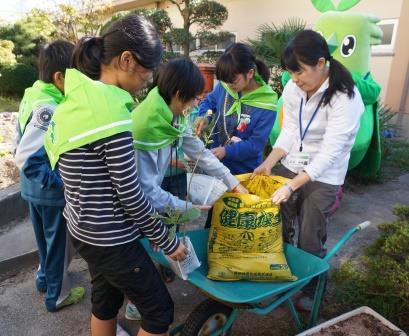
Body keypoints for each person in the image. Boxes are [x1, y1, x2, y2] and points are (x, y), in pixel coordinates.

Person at [44, 15, 187, 336]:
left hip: (82, 228)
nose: (149, 80)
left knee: (106, 300)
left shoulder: (80, 99)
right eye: (149, 70)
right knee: (158, 310)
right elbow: (130, 193)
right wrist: (167, 241)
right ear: (127, 60)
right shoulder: (111, 114)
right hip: (110, 237)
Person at [253, 30, 364, 310]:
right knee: (278, 221)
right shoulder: (294, 89)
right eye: (291, 72)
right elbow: (290, 130)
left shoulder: (346, 98)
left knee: (310, 234)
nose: (295, 79)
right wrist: (269, 162)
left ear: (321, 63)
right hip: (292, 164)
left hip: (325, 175)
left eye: (299, 71)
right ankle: (282, 274)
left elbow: (329, 154)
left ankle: (311, 288)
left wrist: (291, 186)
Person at [14, 40, 85, 312]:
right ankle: (57, 295)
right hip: (48, 189)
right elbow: (26, 155)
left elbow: (16, 140)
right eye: (76, 76)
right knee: (56, 246)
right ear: (59, 77)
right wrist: (60, 183)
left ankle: (45, 280)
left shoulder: (32, 93)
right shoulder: (50, 106)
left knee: (44, 240)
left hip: (31, 188)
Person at [132, 58, 245, 214]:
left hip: (152, 198)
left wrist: (233, 183)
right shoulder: (145, 127)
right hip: (130, 211)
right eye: (195, 98)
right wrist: (186, 208)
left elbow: (201, 153)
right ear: (179, 95)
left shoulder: (174, 114)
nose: (196, 104)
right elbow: (144, 191)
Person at [195, 42, 278, 228]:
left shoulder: (267, 103)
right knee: (214, 220)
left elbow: (256, 145)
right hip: (218, 169)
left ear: (249, 73)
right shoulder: (225, 86)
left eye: (233, 81)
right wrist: (205, 116)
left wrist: (226, 151)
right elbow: (209, 101)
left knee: (237, 224)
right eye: (225, 81)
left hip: (244, 173)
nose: (229, 86)